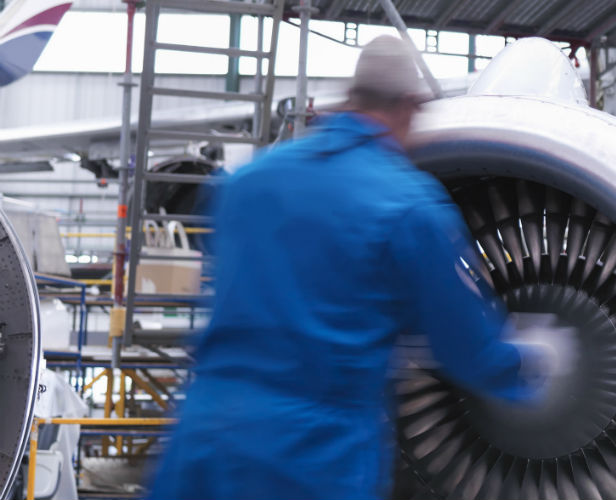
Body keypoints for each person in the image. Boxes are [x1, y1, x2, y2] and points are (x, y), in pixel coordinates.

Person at [148, 35, 554, 500]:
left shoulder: (249, 182)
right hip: (307, 456)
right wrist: (531, 363)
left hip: (204, 435)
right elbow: (464, 345)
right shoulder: (406, 205)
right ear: (407, 106)